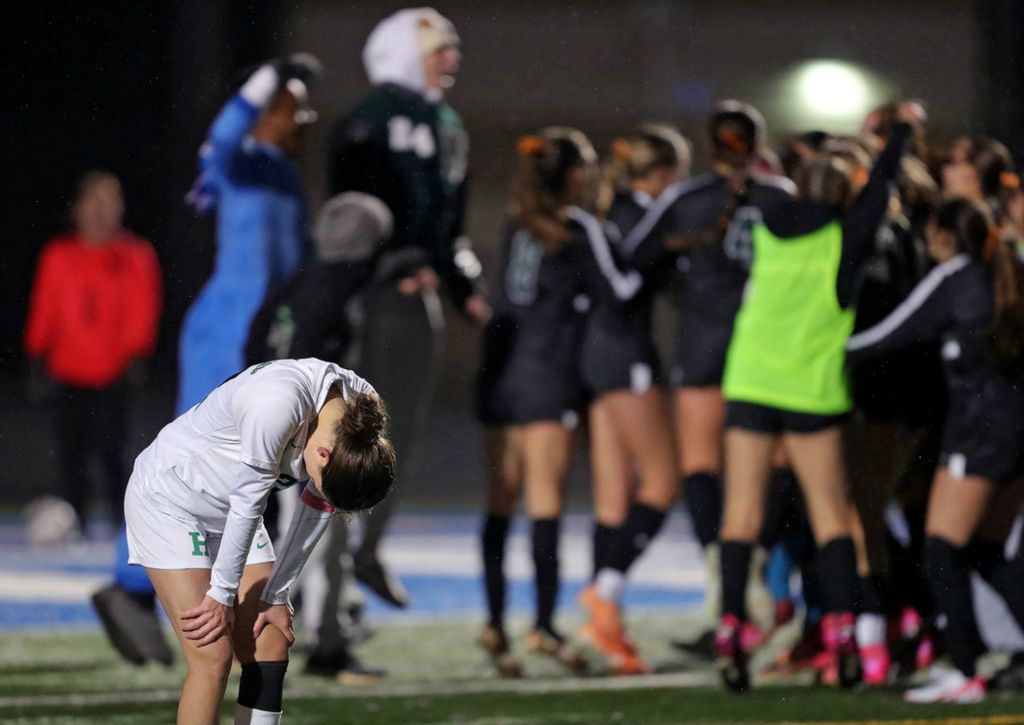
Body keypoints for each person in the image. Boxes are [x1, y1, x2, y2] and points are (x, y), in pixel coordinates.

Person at [93, 54, 322, 667]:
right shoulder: (242, 162)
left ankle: (218, 600)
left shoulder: (284, 177)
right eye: (292, 103)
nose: (306, 116)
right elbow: (222, 134)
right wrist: (266, 75)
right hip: (222, 334)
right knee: (187, 466)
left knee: (256, 472)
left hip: (261, 339)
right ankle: (130, 586)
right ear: (266, 112)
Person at [713, 102, 922, 692]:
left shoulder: (770, 220)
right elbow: (881, 188)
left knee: (741, 516)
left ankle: (730, 630)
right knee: (833, 516)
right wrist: (900, 134)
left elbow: (754, 180)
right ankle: (842, 632)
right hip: (810, 390)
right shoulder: (845, 242)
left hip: (750, 381)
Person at [124, 358, 395, 725]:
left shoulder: (359, 417)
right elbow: (249, 505)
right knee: (213, 654)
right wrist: (221, 595)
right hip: (170, 498)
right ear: (322, 453)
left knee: (270, 639)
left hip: (233, 509)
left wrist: (277, 594)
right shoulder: (276, 404)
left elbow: (315, 505)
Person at [328, 7, 489, 609]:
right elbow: (349, 213)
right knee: (357, 432)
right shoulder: (372, 119)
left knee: (401, 433)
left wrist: (461, 283)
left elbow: (450, 220)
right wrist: (379, 268)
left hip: (418, 297)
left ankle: (366, 551)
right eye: (437, 49)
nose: (451, 60)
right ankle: (337, 565)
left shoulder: (445, 121)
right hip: (375, 299)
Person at [848, 198, 1024, 704]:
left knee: (940, 549)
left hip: (980, 432)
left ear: (943, 235)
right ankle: (968, 664)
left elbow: (889, 333)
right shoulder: (1006, 271)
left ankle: (966, 672)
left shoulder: (957, 276)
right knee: (985, 551)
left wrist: (825, 350)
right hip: (1011, 431)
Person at [246, 192, 396, 682]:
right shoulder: (339, 289)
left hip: (266, 423)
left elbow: (256, 342)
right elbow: (313, 371)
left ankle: (321, 626)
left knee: (294, 534)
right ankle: (323, 641)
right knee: (324, 536)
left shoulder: (299, 280)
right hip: (304, 434)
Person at [475, 129, 599, 678]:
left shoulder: (514, 225)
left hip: (502, 374)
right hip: (547, 374)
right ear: (572, 176)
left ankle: (496, 624)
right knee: (545, 503)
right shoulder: (573, 233)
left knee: (502, 500)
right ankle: (544, 625)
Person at [575, 125, 691, 675]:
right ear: (664, 173)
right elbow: (630, 277)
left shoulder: (618, 209)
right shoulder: (635, 214)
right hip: (625, 357)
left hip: (601, 357)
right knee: (664, 481)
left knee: (614, 499)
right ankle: (605, 592)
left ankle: (606, 624)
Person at [24, 171, 162, 532]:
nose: (100, 212)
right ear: (78, 209)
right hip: (67, 368)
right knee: (71, 453)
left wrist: (136, 353)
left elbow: (143, 305)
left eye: (109, 203)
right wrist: (36, 353)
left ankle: (125, 524)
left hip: (113, 371)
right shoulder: (59, 254)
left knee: (115, 453)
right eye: (93, 202)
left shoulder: (134, 255)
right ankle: (75, 519)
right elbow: (46, 304)